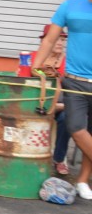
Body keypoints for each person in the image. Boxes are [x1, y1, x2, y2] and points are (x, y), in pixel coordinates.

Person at [33, 0, 92, 200]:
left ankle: (82, 182)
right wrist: (36, 68)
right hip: (75, 83)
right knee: (77, 130)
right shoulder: (69, 7)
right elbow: (49, 39)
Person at [36, 24, 69, 176]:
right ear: (46, 41)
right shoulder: (32, 58)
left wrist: (59, 106)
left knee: (67, 118)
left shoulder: (69, 63)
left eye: (63, 40)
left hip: (60, 105)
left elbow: (71, 92)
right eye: (57, 39)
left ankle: (59, 158)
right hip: (35, 102)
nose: (60, 43)